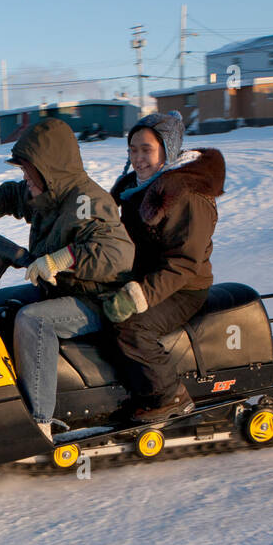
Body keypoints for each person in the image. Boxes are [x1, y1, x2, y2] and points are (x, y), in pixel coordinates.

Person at [0, 118, 133, 440]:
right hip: (59, 288)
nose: (25, 180)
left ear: (49, 168)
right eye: (24, 172)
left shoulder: (88, 200)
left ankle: (38, 424)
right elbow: (13, 194)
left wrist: (66, 258)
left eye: (29, 172)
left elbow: (117, 253)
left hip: (97, 298)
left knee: (34, 321)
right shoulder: (47, 192)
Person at [101, 111, 225, 422]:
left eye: (147, 150)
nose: (139, 158)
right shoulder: (135, 185)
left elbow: (184, 262)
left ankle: (171, 395)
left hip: (183, 287)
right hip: (145, 276)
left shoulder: (186, 193)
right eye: (133, 150)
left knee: (131, 326)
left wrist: (138, 296)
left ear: (167, 150)